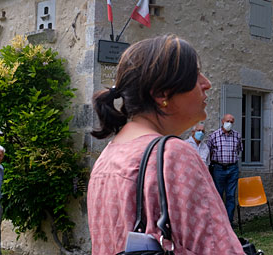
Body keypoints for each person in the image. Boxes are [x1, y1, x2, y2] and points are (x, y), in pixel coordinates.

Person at [87, 35, 243, 254]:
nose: (206, 84)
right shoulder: (173, 154)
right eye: (194, 75)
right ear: (161, 94)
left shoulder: (106, 158)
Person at [207, 114, 243, 224]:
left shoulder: (237, 135)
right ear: (222, 121)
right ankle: (218, 223)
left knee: (231, 196)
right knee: (218, 195)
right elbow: (209, 152)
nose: (229, 123)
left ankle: (229, 222)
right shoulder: (214, 136)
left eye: (232, 122)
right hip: (218, 168)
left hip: (232, 168)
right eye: (228, 121)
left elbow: (239, 150)